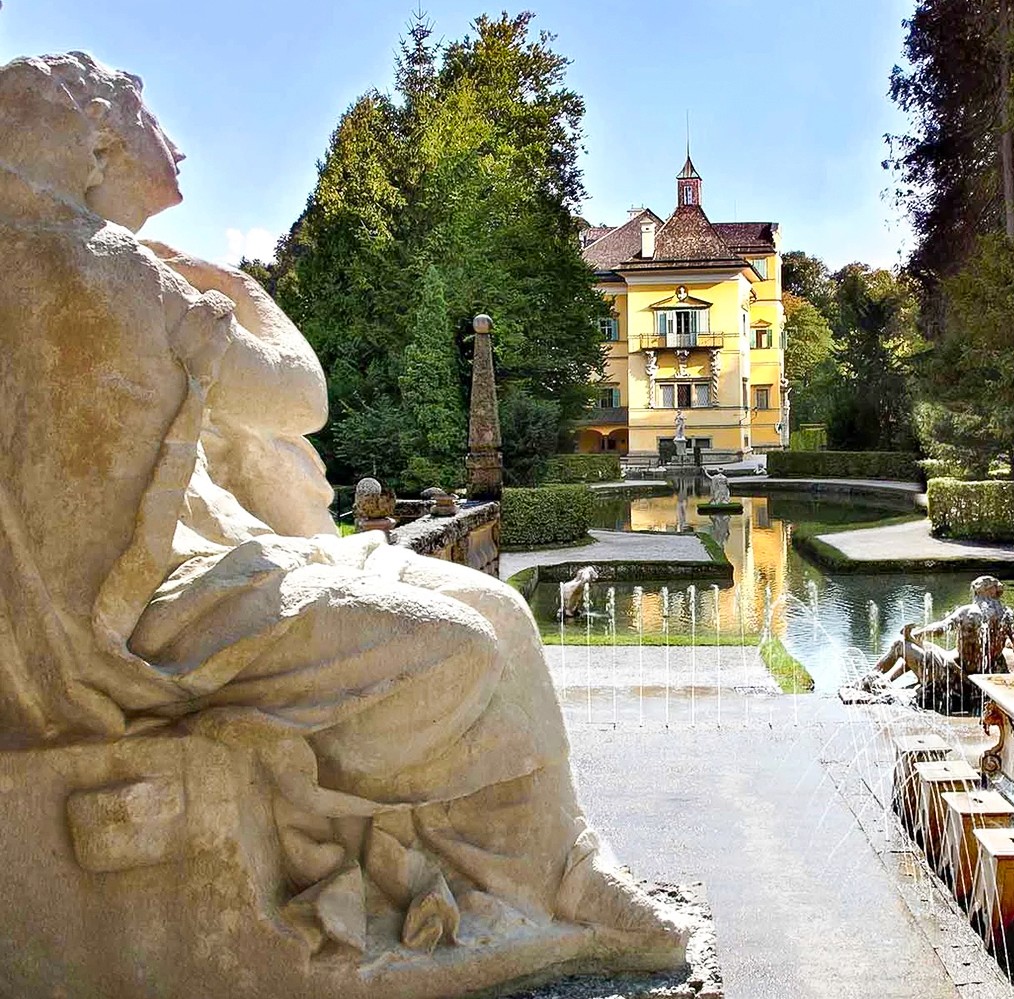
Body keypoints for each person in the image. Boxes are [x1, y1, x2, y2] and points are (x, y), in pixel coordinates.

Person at [0, 51, 681, 966]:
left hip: (159, 592)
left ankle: (564, 872)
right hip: (142, 624)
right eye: (148, 115)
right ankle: (509, 881)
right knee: (463, 646)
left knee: (504, 606)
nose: (175, 142)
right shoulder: (109, 270)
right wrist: (230, 285)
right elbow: (302, 395)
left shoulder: (51, 257)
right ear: (99, 137)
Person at [862, 576, 1014, 711]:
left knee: (901, 644)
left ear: (979, 591)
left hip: (954, 677)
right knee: (926, 648)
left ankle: (869, 680)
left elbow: (941, 628)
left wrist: (920, 632)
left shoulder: (968, 611)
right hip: (981, 681)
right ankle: (887, 681)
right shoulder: (1008, 615)